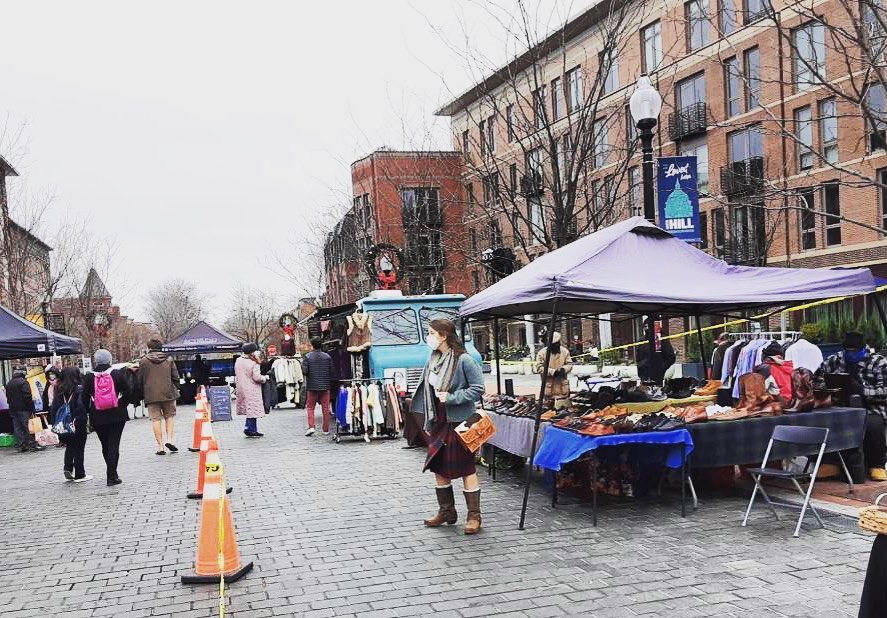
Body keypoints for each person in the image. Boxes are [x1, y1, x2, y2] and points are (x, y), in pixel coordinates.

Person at [412, 318, 485, 535]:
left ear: (444, 336)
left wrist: (452, 397)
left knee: (466, 467)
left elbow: (478, 388)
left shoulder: (464, 360)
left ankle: (474, 516)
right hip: (439, 420)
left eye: (431, 333)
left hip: (459, 421)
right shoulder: (434, 359)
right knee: (438, 465)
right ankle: (446, 512)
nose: (429, 337)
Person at [816, 331, 887, 482]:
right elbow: (816, 380)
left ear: (863, 349)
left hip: (871, 408)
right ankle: (830, 463)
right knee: (824, 421)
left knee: (873, 425)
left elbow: (885, 390)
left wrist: (863, 390)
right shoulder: (833, 360)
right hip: (838, 406)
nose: (851, 354)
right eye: (848, 352)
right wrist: (831, 387)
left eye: (855, 352)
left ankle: (877, 465)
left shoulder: (879, 363)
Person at [83, 349, 130, 486]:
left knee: (105, 445)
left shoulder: (89, 377)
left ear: (95, 360)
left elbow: (84, 397)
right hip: (117, 415)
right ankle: (111, 475)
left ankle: (112, 473)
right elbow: (128, 391)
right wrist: (122, 404)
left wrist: (88, 412)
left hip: (98, 416)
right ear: (109, 360)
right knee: (114, 444)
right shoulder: (117, 374)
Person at [139, 339, 180, 455]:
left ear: (149, 348)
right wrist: (176, 387)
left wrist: (141, 393)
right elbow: (175, 377)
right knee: (169, 417)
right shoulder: (169, 359)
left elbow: (140, 379)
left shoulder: (144, 361)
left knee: (156, 419)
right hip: (168, 393)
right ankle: (170, 440)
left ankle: (161, 447)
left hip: (151, 395)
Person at [51, 367, 91, 482]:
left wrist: (54, 423)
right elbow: (82, 407)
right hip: (77, 423)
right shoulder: (79, 389)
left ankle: (67, 467)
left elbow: (54, 408)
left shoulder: (58, 389)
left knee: (70, 446)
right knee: (79, 448)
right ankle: (80, 474)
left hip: (63, 424)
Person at [5, 367, 43, 453]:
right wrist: (32, 408)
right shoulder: (23, 382)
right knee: (28, 426)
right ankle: (32, 444)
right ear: (23, 373)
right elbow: (27, 397)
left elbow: (8, 397)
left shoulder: (9, 383)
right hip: (24, 409)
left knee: (17, 427)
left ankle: (21, 445)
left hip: (13, 409)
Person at [302, 337, 334, 437]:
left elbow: (305, 372)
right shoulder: (327, 357)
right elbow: (332, 372)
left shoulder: (307, 357)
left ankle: (311, 427)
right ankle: (325, 429)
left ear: (312, 345)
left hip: (312, 387)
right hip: (325, 386)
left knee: (310, 407)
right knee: (325, 408)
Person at [235, 343, 268, 437]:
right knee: (252, 408)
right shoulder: (254, 363)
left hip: (241, 387)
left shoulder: (239, 360)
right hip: (252, 388)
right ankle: (250, 428)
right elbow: (257, 377)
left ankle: (249, 427)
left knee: (249, 408)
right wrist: (265, 378)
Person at [534, 332, 573, 402]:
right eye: (554, 344)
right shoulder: (542, 353)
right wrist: (552, 372)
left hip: (562, 387)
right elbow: (539, 368)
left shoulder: (565, 351)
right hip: (549, 388)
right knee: (549, 408)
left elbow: (569, 364)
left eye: (557, 344)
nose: (556, 346)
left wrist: (563, 370)